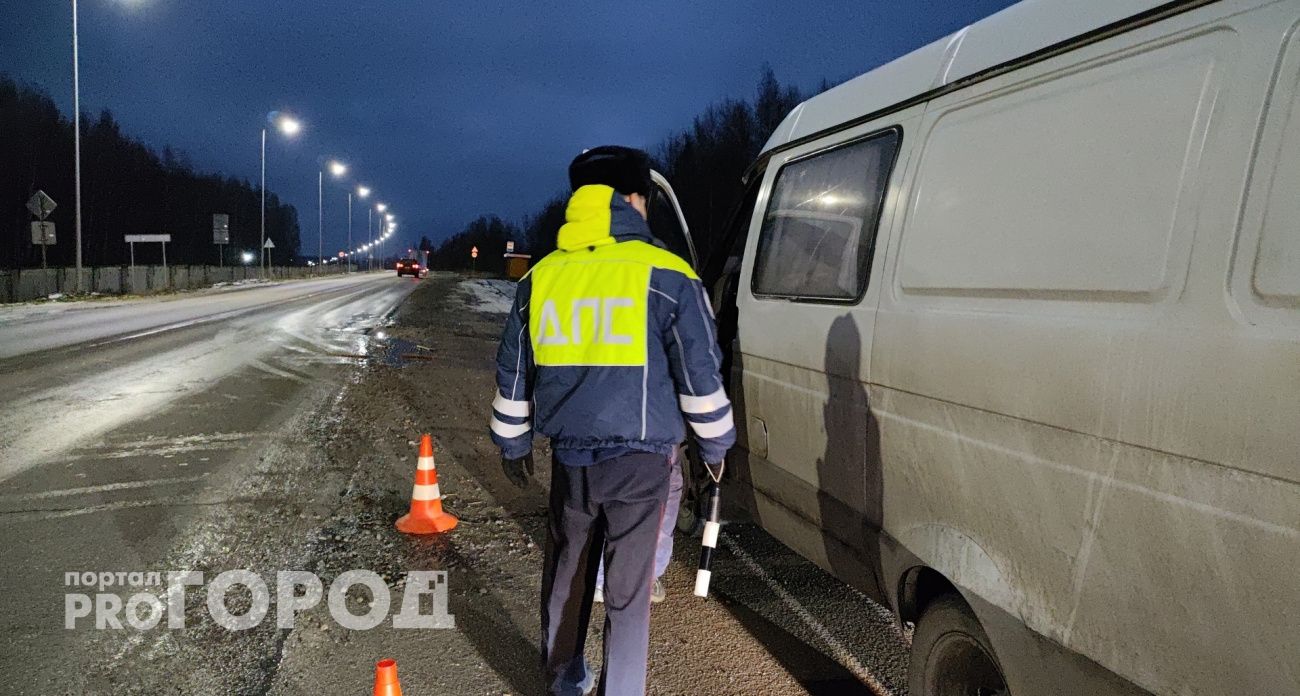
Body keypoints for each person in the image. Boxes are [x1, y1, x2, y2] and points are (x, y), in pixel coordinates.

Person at [489, 145, 734, 696]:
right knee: (627, 591)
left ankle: (564, 679)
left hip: (571, 460)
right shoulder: (668, 275)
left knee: (569, 573)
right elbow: (700, 375)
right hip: (642, 465)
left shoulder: (542, 276)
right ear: (632, 199)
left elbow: (514, 369)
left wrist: (512, 443)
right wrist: (717, 445)